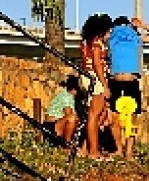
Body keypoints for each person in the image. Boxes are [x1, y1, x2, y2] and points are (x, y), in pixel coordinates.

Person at [107, 16, 143, 160]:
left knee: (132, 118)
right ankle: (119, 149)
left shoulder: (135, 38)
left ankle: (128, 152)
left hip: (131, 82)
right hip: (115, 82)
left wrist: (142, 26)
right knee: (113, 118)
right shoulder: (111, 38)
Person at [80, 13, 114, 158]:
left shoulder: (86, 41)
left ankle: (84, 149)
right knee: (95, 115)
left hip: (88, 77)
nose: (109, 34)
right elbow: (97, 64)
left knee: (99, 114)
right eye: (108, 31)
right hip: (95, 79)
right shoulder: (96, 43)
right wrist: (105, 85)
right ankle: (94, 152)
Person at [44, 75, 80, 143]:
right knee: (72, 118)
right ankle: (67, 144)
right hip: (51, 127)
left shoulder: (71, 97)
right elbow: (69, 114)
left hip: (57, 124)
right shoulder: (66, 96)